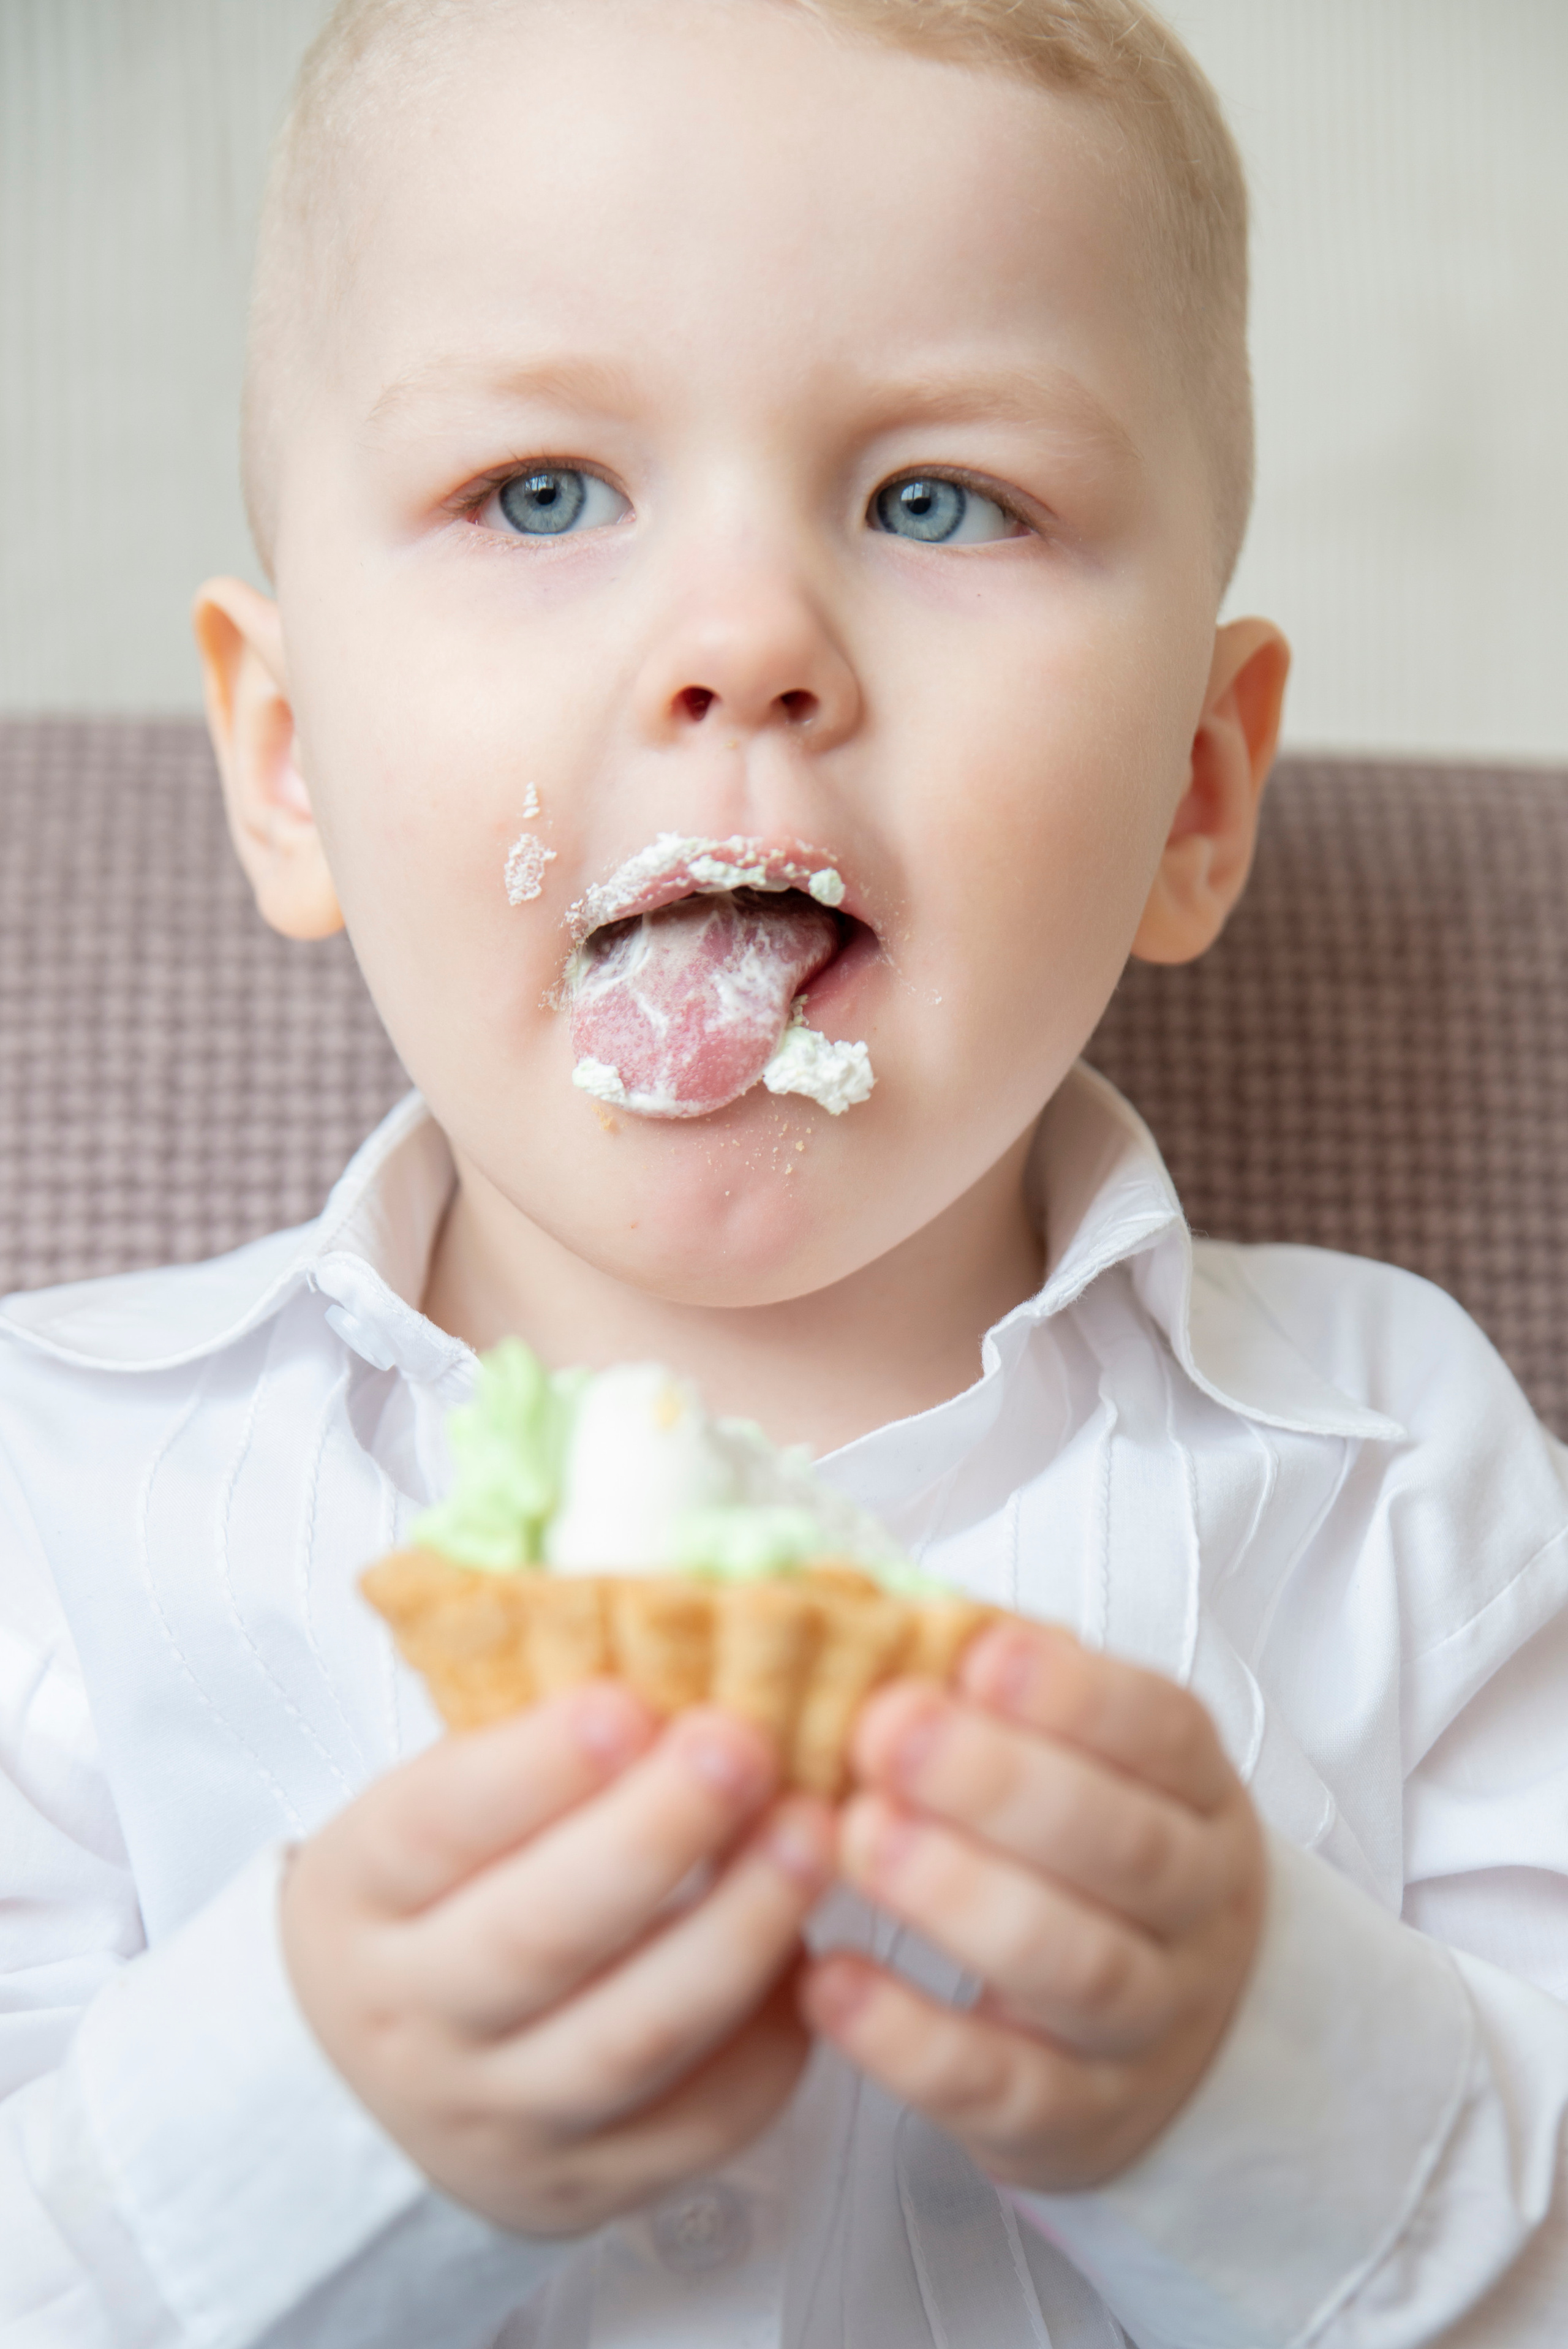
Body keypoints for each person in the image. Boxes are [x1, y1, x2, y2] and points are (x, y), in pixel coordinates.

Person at [3, 1, 1567, 2341]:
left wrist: (1266, 2084)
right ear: (292, 757)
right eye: (543, 491)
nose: (745, 642)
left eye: (939, 498)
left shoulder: (1397, 1479)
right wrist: (285, 2124)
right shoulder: (59, 1498)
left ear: (1196, 796)